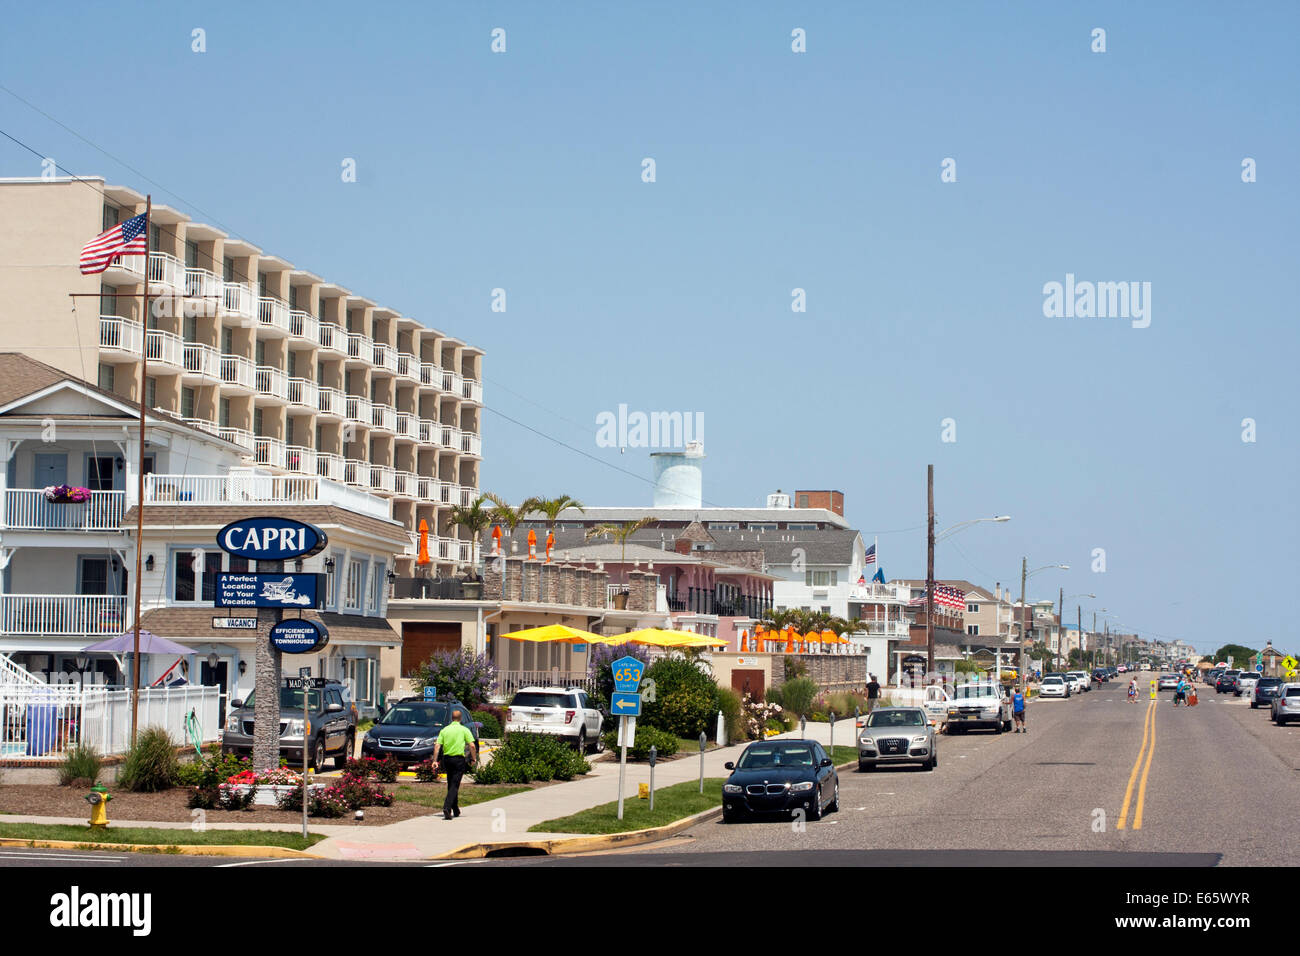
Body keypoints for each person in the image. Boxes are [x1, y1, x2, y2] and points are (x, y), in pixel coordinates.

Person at [432, 709, 478, 820]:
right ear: (460, 718)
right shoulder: (464, 730)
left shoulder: (445, 730)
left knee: (451, 783)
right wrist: (473, 758)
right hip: (458, 759)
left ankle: (455, 809)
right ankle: (447, 808)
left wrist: (435, 760)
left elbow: (437, 746)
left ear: (452, 718)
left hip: (447, 759)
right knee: (455, 784)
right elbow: (472, 746)